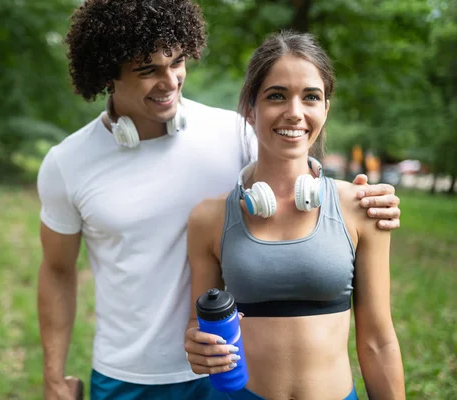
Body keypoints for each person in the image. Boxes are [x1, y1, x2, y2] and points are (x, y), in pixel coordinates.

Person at [37, 1, 402, 399]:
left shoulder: (232, 131)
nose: (170, 81)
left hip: (226, 370)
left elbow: (291, 151)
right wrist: (54, 375)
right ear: (107, 72)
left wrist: (364, 198)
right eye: (148, 70)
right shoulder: (67, 163)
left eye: (177, 62)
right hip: (129, 373)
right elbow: (57, 271)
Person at [184, 31, 405, 400]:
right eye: (276, 96)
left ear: (325, 109)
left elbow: (378, 342)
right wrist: (198, 346)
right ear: (250, 109)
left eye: (311, 97)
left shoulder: (361, 206)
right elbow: (199, 329)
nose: (295, 112)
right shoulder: (209, 218)